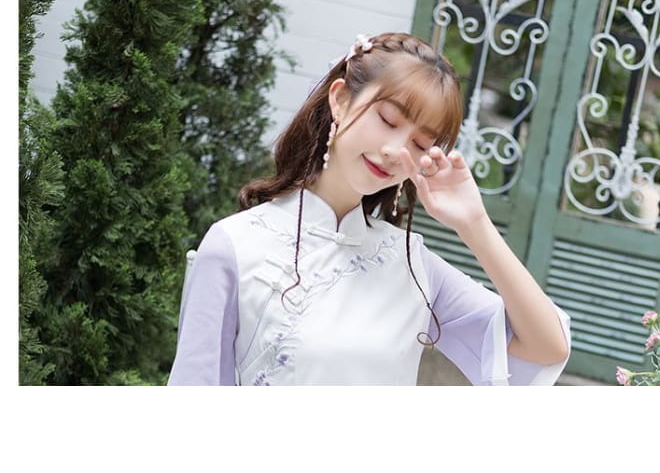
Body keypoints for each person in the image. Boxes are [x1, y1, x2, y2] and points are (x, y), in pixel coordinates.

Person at [168, 32, 571, 386]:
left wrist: (475, 224)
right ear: (341, 99)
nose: (396, 150)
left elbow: (546, 348)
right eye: (388, 119)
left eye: (420, 144)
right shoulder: (235, 246)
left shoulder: (411, 264)